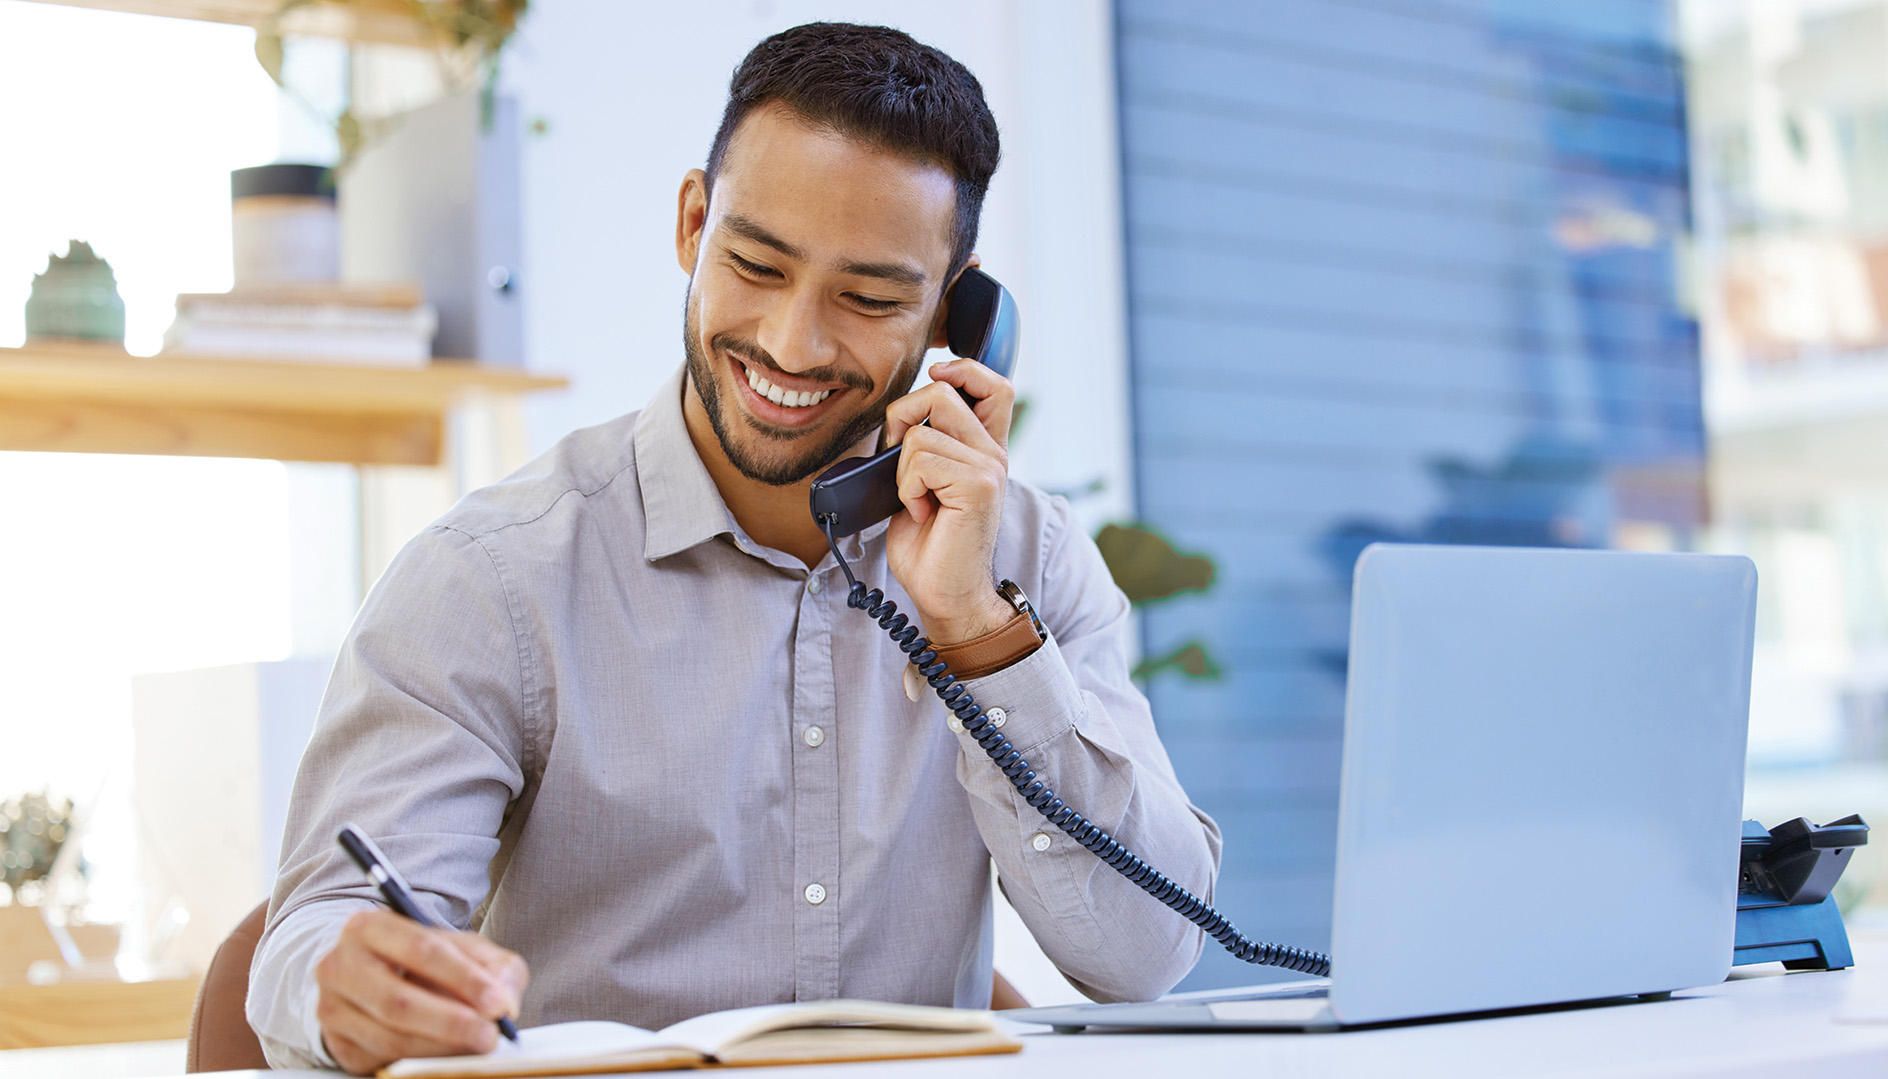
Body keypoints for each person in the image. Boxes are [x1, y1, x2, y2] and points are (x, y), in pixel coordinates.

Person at [247, 22, 1222, 1074]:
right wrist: (343, 978)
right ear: (692, 223)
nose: (793, 344)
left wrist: (977, 637)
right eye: (756, 263)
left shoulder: (1025, 559)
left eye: (871, 297)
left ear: (956, 312)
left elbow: (1149, 954)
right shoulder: (494, 575)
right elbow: (319, 930)